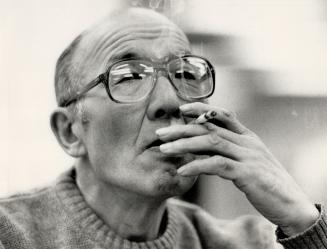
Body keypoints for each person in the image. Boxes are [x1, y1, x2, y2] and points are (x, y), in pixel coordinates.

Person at [0, 7, 326, 249]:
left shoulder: (249, 243)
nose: (170, 102)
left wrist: (303, 220)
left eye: (185, 73)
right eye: (128, 76)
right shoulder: (11, 235)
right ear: (69, 132)